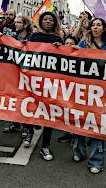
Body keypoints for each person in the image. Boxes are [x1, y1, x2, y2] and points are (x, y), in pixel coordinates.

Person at [74, 17, 106, 174]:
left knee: (98, 125)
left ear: (104, 29)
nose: (96, 27)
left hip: (101, 92)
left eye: (99, 25)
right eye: (93, 25)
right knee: (79, 121)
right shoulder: (83, 44)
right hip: (82, 90)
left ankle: (96, 161)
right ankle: (79, 151)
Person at [27, 11, 64, 161]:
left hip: (51, 81)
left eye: (50, 19)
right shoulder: (34, 37)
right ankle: (28, 131)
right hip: (34, 80)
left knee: (49, 113)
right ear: (41, 22)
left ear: (54, 23)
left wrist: (60, 48)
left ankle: (45, 146)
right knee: (30, 108)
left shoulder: (58, 38)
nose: (48, 21)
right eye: (45, 19)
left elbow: (64, 58)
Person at [3, 15, 33, 137]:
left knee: (26, 100)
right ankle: (16, 123)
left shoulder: (32, 39)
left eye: (18, 22)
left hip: (27, 74)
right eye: (15, 22)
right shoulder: (13, 38)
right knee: (15, 98)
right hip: (14, 73)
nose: (15, 24)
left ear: (25, 24)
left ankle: (26, 127)